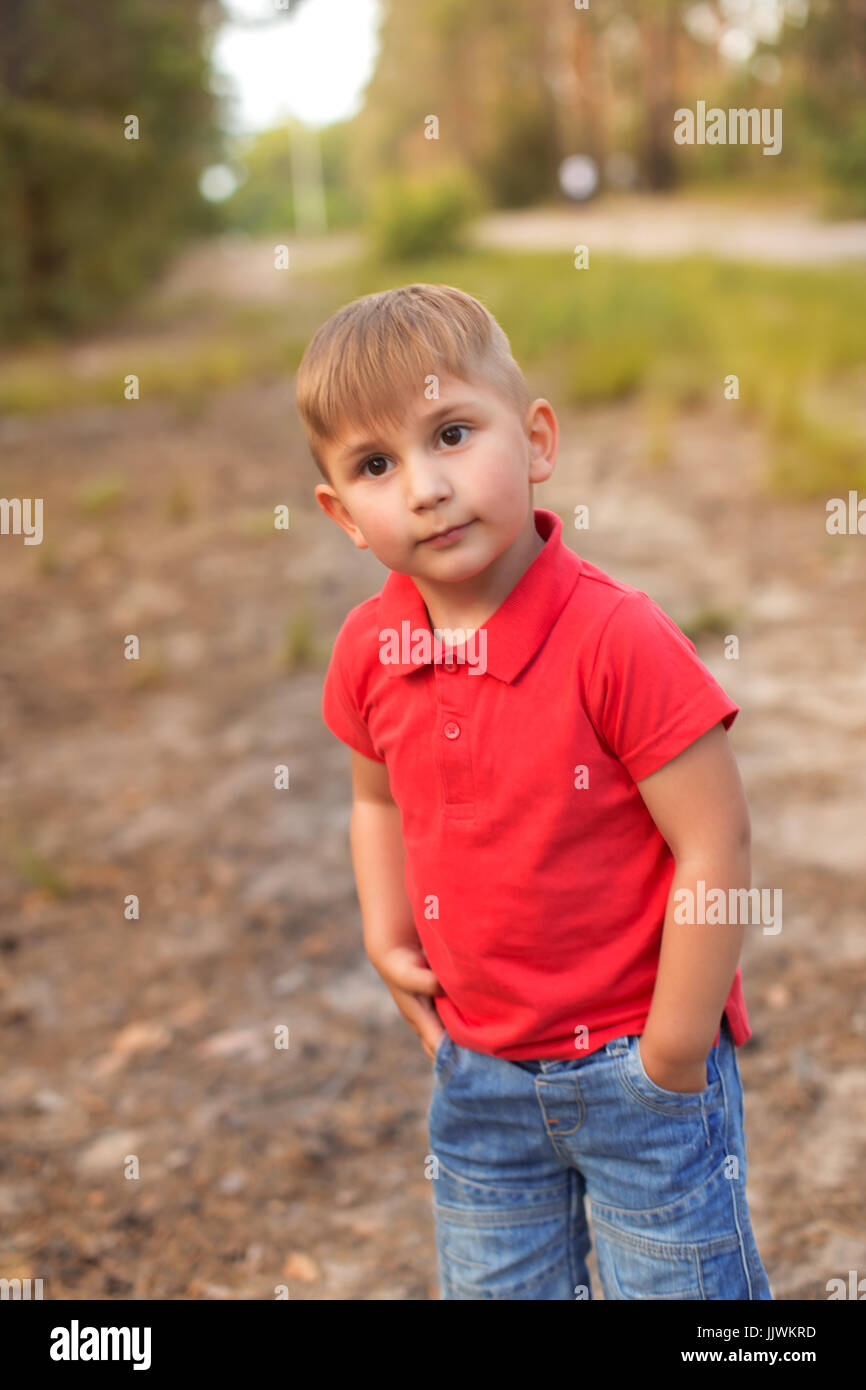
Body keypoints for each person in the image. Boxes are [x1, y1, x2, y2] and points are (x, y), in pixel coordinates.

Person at [296, 282, 773, 1301]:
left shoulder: (613, 637)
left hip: (635, 1065)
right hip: (478, 1073)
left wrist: (674, 1050)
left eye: (452, 433)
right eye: (377, 465)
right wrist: (387, 935)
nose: (423, 486)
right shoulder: (369, 649)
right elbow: (374, 799)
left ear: (536, 439)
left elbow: (714, 840)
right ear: (342, 512)